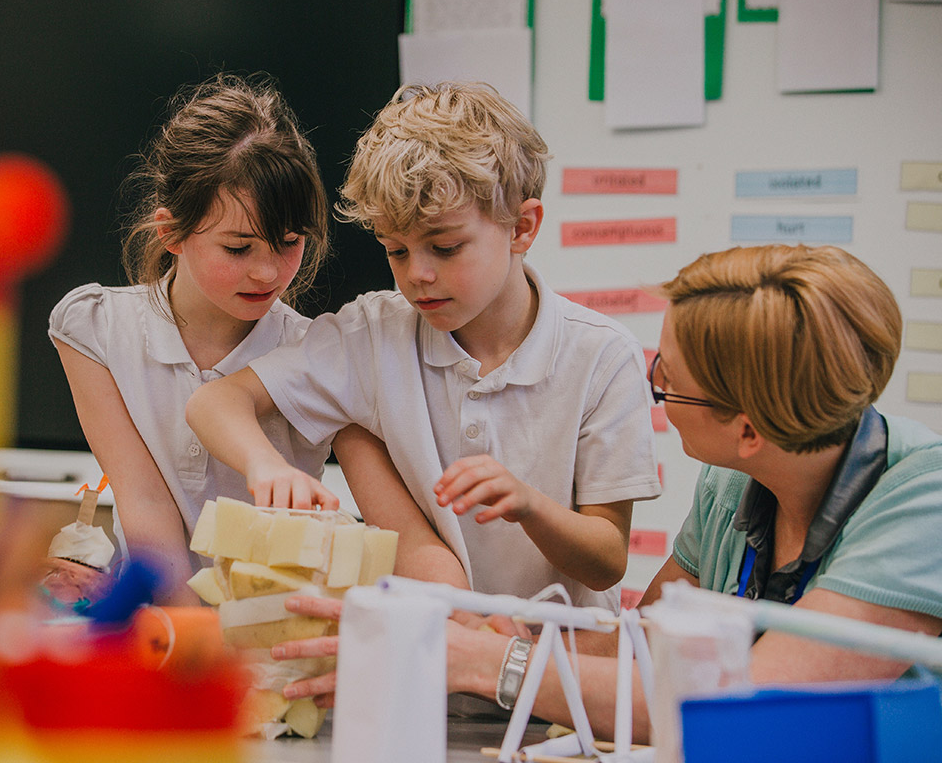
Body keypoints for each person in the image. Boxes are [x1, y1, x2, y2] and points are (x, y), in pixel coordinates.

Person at [427, 243, 942, 740]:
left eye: (666, 380)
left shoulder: (923, 509)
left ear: (748, 432)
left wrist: (492, 665)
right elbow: (643, 646)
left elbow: (742, 706)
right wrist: (504, 640)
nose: (658, 396)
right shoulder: (734, 481)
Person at [186, 82, 661, 606]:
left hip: (553, 670)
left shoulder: (602, 356)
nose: (418, 276)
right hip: (426, 666)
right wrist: (266, 466)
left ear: (522, 228)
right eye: (395, 251)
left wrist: (529, 505)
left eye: (445, 247)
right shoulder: (373, 334)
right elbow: (215, 401)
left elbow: (608, 561)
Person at [50, 73, 377, 604]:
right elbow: (145, 500)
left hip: (273, 626)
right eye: (238, 248)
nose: (268, 273)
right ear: (171, 232)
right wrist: (192, 639)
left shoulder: (317, 351)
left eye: (290, 242)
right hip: (162, 622)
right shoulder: (95, 328)